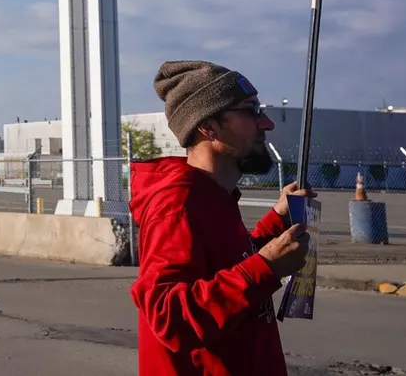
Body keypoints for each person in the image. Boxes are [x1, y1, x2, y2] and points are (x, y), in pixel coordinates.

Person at [130, 60, 314, 376]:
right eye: (251, 111)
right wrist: (266, 267)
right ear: (210, 127)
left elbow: (226, 268)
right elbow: (168, 315)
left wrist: (276, 221)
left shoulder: (215, 197)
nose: (267, 123)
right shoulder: (177, 204)